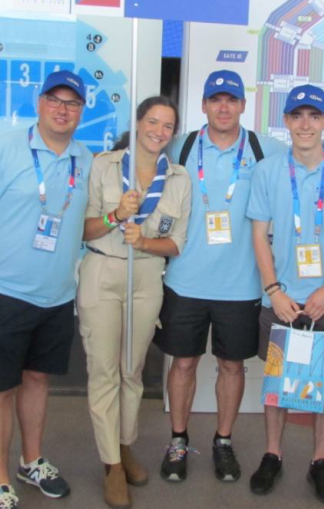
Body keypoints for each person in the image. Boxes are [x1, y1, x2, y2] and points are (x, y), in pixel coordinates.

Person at [0, 70, 93, 509]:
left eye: (72, 103)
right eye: (55, 100)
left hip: (57, 295)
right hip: (5, 292)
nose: (63, 110)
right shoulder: (6, 148)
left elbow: (81, 223)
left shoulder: (86, 158)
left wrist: (116, 218)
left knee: (37, 379)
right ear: (39, 103)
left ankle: (31, 461)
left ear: (81, 111)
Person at [156, 70, 286, 483]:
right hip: (184, 280)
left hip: (241, 286)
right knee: (183, 364)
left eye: (231, 99)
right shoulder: (180, 145)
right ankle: (178, 441)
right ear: (204, 105)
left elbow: (310, 164)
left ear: (243, 105)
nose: (224, 107)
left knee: (232, 366)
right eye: (216, 99)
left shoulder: (265, 149)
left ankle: (223, 441)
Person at [246, 85, 324, 501]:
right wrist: (273, 290)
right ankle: (272, 454)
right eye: (297, 116)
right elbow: (259, 235)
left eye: (314, 116)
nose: (305, 124)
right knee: (277, 382)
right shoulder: (268, 171)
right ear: (286, 121)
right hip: (282, 298)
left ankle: (320, 460)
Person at [78, 96, 191, 509]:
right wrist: (116, 215)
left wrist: (143, 241)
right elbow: (84, 230)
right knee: (105, 372)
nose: (159, 131)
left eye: (167, 126)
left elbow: (176, 243)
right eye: (153, 122)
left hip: (146, 275)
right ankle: (111, 465)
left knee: (132, 370)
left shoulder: (178, 178)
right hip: (104, 271)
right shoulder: (104, 166)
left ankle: (125, 447)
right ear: (138, 123)